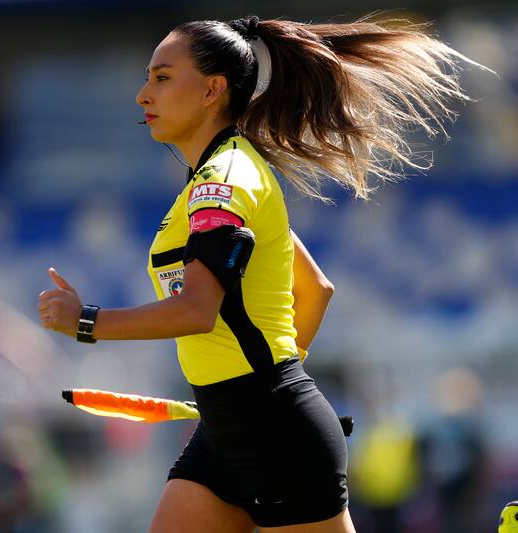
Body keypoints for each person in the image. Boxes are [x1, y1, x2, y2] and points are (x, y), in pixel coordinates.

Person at [38, 14, 483, 532]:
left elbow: (197, 311)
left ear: (212, 90)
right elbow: (315, 290)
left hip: (274, 438)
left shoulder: (223, 180)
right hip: (227, 435)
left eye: (161, 77)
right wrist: (263, 388)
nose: (142, 94)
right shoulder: (221, 174)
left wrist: (86, 321)